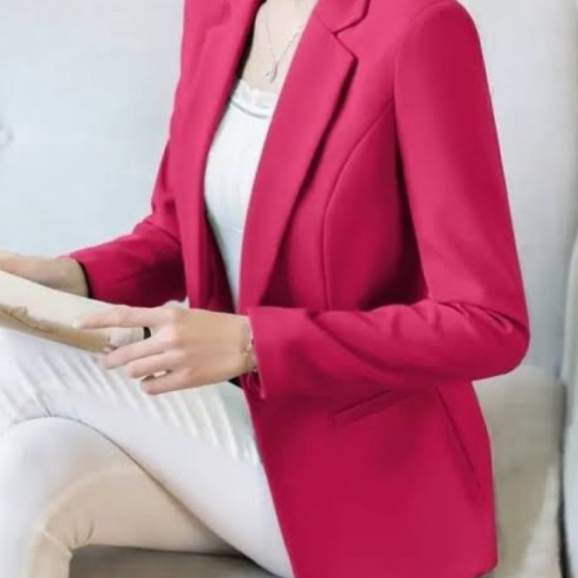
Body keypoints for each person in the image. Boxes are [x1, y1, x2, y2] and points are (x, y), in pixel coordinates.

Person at [0, 0, 530, 576]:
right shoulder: (216, 11)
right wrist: (70, 277)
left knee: (16, 352)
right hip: (234, 427)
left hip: (363, 471)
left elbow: (488, 323)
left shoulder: (421, 28)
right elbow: (180, 233)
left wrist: (254, 343)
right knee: (30, 469)